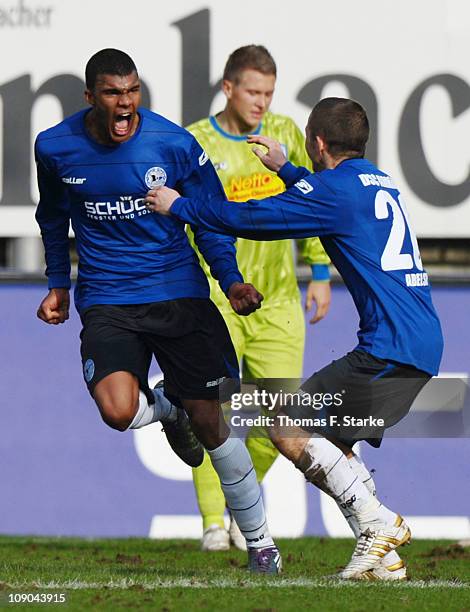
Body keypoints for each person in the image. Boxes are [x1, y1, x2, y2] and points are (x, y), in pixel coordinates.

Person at [145, 97, 444, 580]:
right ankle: (383, 559)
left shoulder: (332, 194)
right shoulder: (375, 180)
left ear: (318, 142)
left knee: (285, 424)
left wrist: (179, 205)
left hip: (392, 347)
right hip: (413, 340)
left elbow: (250, 220)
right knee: (337, 446)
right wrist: (285, 169)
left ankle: (378, 523)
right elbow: (321, 193)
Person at [34, 48, 281, 574]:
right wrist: (58, 283)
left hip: (178, 293)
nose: (124, 104)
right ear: (89, 97)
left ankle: (261, 545)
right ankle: (169, 409)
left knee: (215, 423)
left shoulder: (173, 143)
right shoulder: (55, 147)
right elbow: (53, 218)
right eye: (112, 94)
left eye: (132, 92)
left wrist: (231, 281)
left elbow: (208, 218)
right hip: (107, 299)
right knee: (119, 411)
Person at [186, 45, 331, 552]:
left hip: (279, 300)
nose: (261, 102)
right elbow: (186, 223)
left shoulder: (286, 134)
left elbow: (311, 199)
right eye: (252, 91)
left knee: (280, 418)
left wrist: (319, 270)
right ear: (228, 88)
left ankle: (235, 510)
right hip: (216, 298)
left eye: (269, 93)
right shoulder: (196, 142)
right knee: (213, 413)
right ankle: (210, 523)